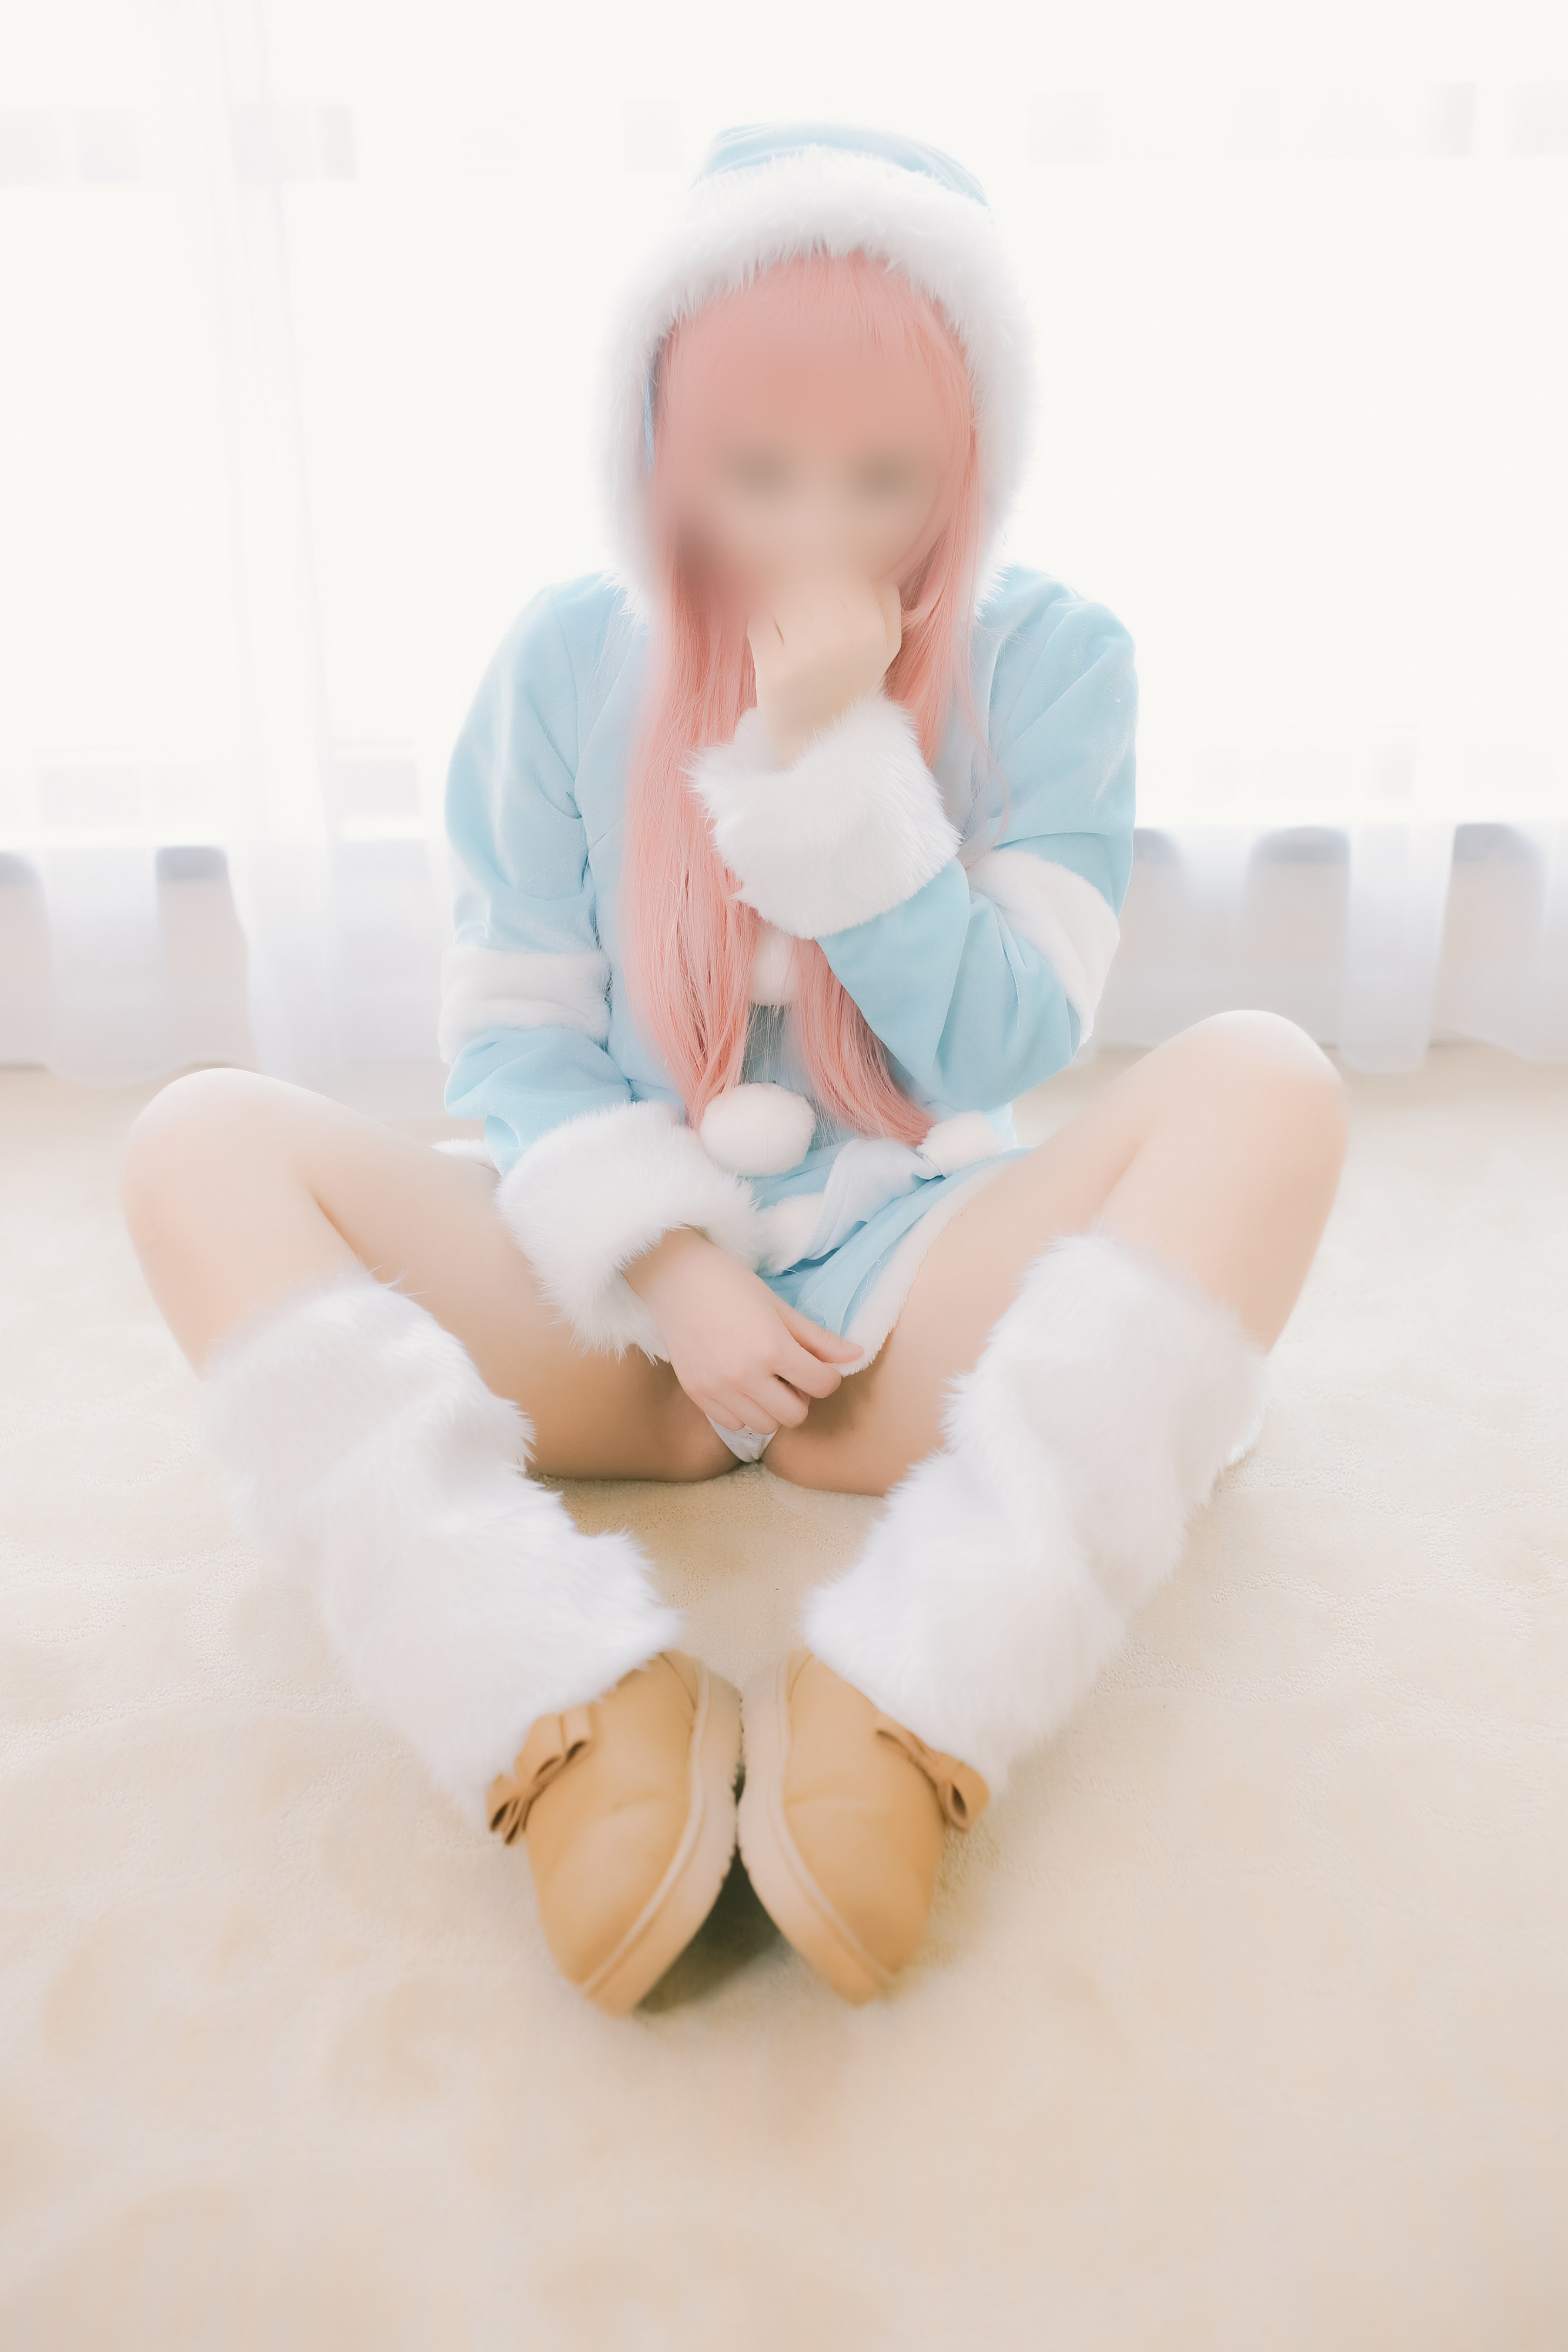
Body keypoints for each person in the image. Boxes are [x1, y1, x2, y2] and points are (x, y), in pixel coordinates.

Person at [122, 124, 1346, 2014]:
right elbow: (518, 1039)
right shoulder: (564, 660)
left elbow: (1002, 1041)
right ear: (655, 448)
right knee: (196, 1140)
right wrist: (668, 1266)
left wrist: (832, 759)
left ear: (973, 462)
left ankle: (916, 1698)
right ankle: (552, 1699)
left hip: (897, 1302)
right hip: (611, 1313)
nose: (817, 532)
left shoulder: (1052, 659)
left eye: (887, 480)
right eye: (755, 476)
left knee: (1268, 1079)